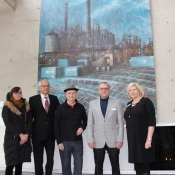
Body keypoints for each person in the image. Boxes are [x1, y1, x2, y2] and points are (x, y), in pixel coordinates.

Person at [87, 82, 124, 175]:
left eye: (106, 88)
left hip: (114, 140)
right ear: (98, 90)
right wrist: (90, 140)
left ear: (109, 90)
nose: (104, 90)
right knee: (98, 167)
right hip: (97, 140)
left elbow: (120, 123)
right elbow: (90, 123)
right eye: (102, 88)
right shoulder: (92, 104)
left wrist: (120, 140)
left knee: (115, 166)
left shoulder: (117, 103)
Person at [54, 84, 87, 175]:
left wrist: (82, 127)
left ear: (76, 94)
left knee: (78, 165)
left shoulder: (80, 107)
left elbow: (85, 120)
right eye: (69, 93)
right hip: (64, 142)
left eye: (73, 93)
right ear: (66, 94)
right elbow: (56, 125)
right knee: (65, 166)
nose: (71, 95)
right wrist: (59, 142)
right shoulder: (60, 108)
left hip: (77, 141)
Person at [124, 82, 156, 175]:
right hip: (133, 139)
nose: (132, 92)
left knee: (145, 164)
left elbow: (151, 122)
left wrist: (149, 139)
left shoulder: (146, 101)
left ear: (139, 90)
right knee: (137, 165)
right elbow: (128, 119)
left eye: (134, 89)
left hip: (144, 138)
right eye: (130, 90)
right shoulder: (128, 104)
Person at [29, 79, 60, 175]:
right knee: (38, 160)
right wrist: (30, 134)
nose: (46, 87)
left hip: (51, 135)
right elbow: (30, 118)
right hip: (37, 135)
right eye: (44, 86)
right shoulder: (33, 99)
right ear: (39, 88)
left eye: (48, 86)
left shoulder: (54, 99)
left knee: (50, 159)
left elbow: (59, 115)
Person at [2, 87, 32, 175]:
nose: (18, 95)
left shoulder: (26, 106)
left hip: (24, 139)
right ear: (11, 95)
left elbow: (30, 121)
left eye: (19, 93)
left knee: (19, 163)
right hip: (12, 138)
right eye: (15, 93)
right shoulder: (7, 106)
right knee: (10, 163)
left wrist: (27, 135)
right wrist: (20, 134)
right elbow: (8, 123)